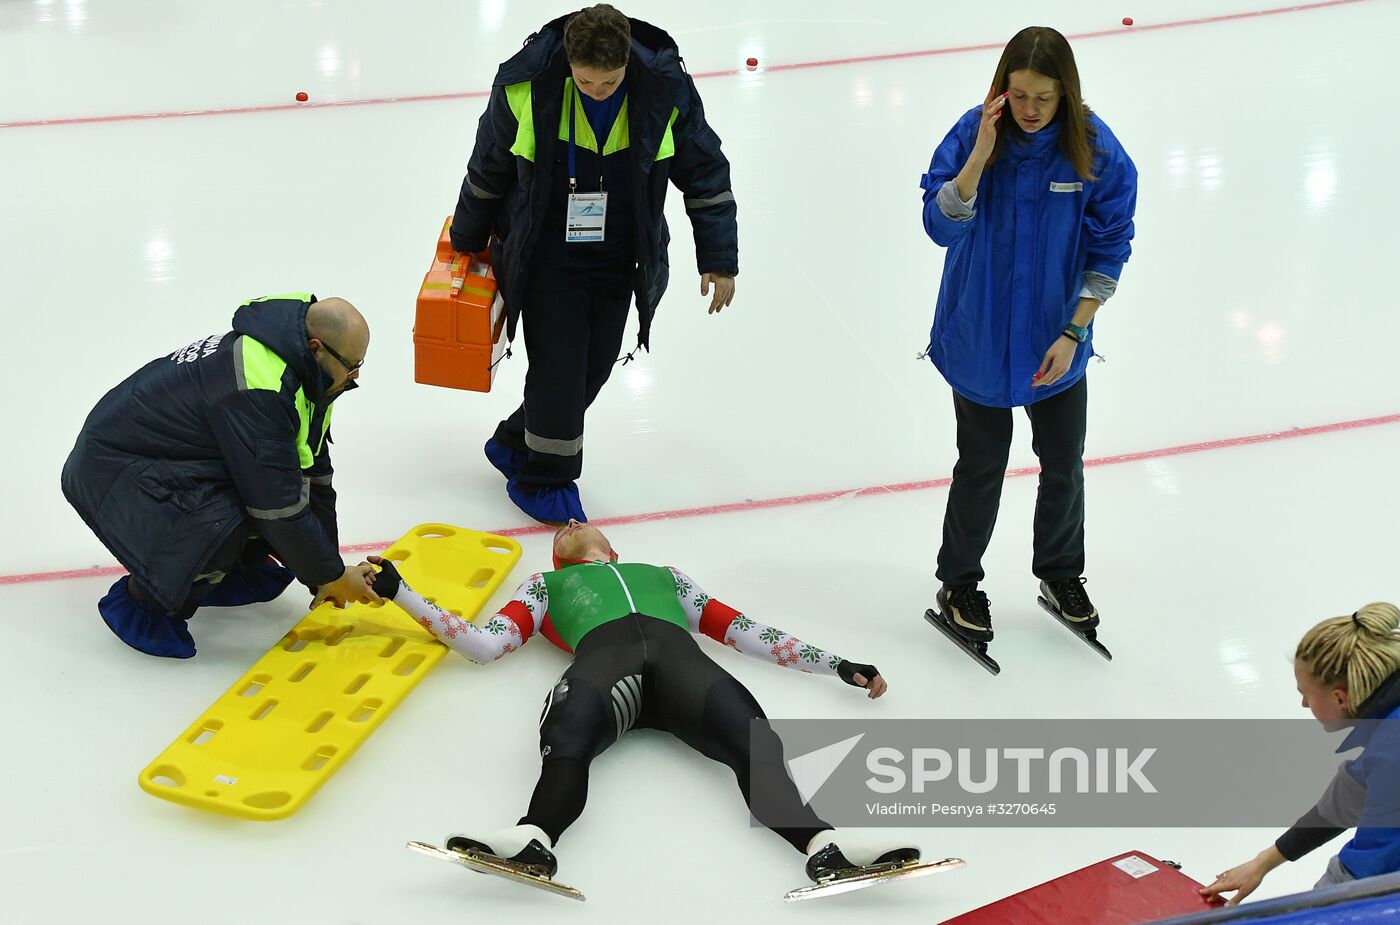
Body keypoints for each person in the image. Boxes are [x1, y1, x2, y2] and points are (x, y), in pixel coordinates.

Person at [366, 520, 920, 886]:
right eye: (560, 533)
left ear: (614, 548)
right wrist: (401, 593)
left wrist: (837, 664)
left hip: (686, 672)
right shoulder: (543, 586)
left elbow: (747, 630)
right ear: (559, 560)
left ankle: (823, 849)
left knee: (756, 741)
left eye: (578, 522)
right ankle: (534, 839)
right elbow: (484, 645)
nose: (570, 524)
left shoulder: (665, 576)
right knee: (569, 735)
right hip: (605, 673)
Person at [450, 4, 739, 525]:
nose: (597, 92)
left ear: (628, 62)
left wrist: (718, 258)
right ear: (567, 60)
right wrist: (466, 238)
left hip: (619, 251)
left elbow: (705, 171)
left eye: (609, 83)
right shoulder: (526, 84)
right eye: (585, 81)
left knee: (597, 361)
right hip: (545, 251)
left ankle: (516, 441)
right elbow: (488, 167)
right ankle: (546, 480)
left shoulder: (665, 90)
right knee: (559, 364)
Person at [918, 26, 1137, 649]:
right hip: (980, 334)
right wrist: (981, 154)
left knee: (1064, 463)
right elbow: (938, 225)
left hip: (1056, 341)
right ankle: (958, 583)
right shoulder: (972, 130)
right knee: (983, 466)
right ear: (1002, 91)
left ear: (1066, 92)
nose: (1033, 109)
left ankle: (1062, 575)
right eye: (1019, 95)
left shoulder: (1092, 147)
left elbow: (1111, 242)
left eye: (1045, 96)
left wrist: (1074, 331)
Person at [61, 294, 380, 659]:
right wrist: (331, 575)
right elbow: (276, 503)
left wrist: (327, 573)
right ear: (316, 347)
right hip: (116, 469)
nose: (355, 376)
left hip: (169, 457)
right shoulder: (261, 388)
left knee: (265, 494)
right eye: (352, 365)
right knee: (227, 522)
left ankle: (231, 574)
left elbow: (313, 474)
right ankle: (143, 604)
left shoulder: (310, 376)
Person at [1199, 603, 1400, 905]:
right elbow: (1347, 801)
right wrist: (1262, 863)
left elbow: (1364, 877)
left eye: (1304, 694)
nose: (1304, 706)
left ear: (1340, 698)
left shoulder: (1390, 750)